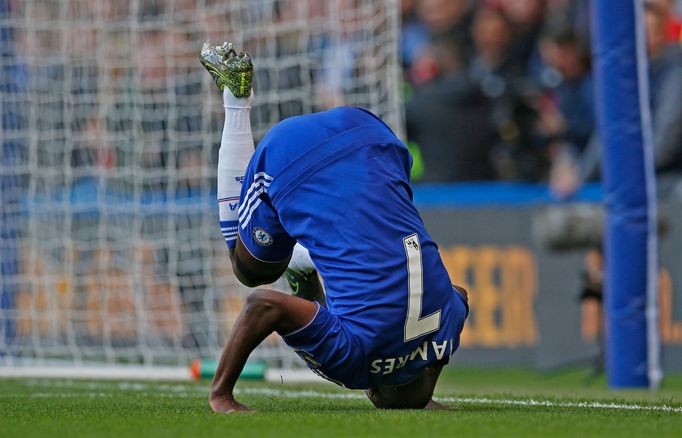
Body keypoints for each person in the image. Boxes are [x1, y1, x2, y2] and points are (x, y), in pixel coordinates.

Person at [199, 42, 469, 412]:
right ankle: (236, 98)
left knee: (366, 224)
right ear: (376, 390)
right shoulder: (356, 368)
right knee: (250, 270)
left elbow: (460, 294)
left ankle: (307, 259)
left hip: (372, 133)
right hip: (293, 153)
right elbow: (263, 304)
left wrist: (429, 372)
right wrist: (221, 395)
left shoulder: (448, 331)